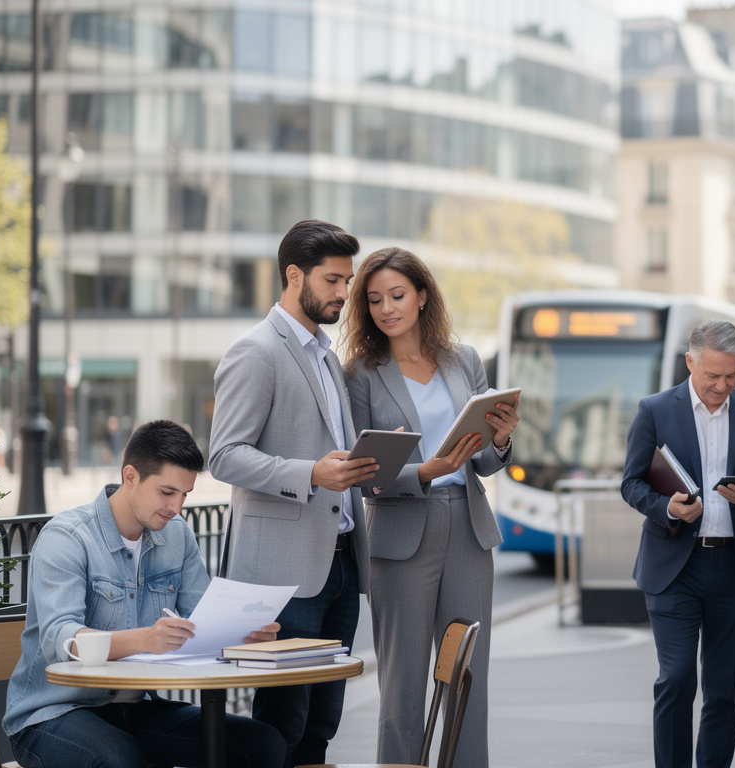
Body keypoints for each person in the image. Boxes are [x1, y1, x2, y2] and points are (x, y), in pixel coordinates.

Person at [4, 420, 285, 768]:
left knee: (262, 743)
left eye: (185, 495)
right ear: (130, 476)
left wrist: (245, 634)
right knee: (120, 757)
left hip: (136, 711)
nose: (176, 507)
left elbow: (203, 619)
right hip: (53, 712)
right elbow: (61, 640)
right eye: (167, 492)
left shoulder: (177, 536)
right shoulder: (67, 538)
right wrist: (146, 639)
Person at [341, 247, 519, 767]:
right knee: (402, 687)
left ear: (422, 296)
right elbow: (360, 475)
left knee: (467, 678)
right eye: (374, 300)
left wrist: (502, 441)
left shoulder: (463, 360)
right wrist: (423, 472)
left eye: (397, 295)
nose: (386, 309)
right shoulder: (361, 374)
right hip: (400, 536)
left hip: (468, 526)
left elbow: (484, 460)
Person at [209, 219, 377, 768]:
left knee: (323, 723)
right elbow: (225, 455)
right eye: (333, 280)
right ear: (293, 275)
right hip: (285, 576)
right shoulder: (256, 351)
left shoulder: (326, 355)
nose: (343, 294)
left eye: (347, 281)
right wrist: (311, 474)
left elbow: (331, 448)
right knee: (283, 721)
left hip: (341, 565)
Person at [621, 320, 735, 768]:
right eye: (712, 375)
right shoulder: (655, 409)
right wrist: (668, 509)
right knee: (675, 680)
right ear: (690, 361)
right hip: (675, 567)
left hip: (734, 569)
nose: (721, 385)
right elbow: (631, 484)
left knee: (723, 689)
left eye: (731, 376)